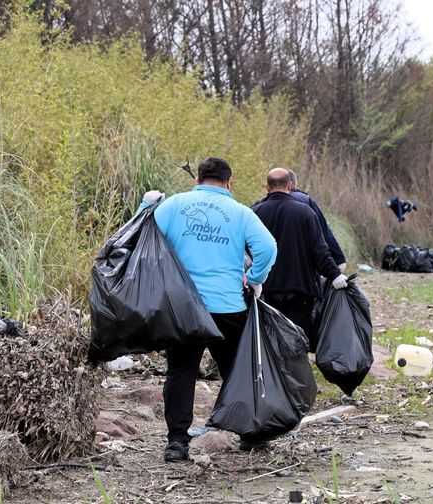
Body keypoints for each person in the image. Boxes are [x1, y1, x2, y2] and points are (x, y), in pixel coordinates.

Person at [142, 157, 277, 463]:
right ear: (229, 183)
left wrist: (146, 206)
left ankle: (177, 442)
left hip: (183, 307)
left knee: (181, 371)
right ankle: (251, 434)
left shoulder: (174, 205)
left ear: (199, 178)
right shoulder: (241, 213)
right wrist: (253, 278)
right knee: (235, 371)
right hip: (227, 306)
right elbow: (268, 248)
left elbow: (144, 236)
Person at [252, 168, 348, 339]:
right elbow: (319, 251)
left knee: (271, 338)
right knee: (297, 338)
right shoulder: (305, 212)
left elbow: (244, 252)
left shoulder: (255, 213)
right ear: (290, 185)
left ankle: (273, 366)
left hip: (267, 289)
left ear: (267, 187)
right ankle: (295, 365)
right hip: (300, 289)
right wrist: (335, 275)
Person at [283, 170, 347, 271]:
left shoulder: (261, 204)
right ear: (293, 184)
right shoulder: (305, 201)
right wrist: (339, 258)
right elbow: (322, 229)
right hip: (303, 263)